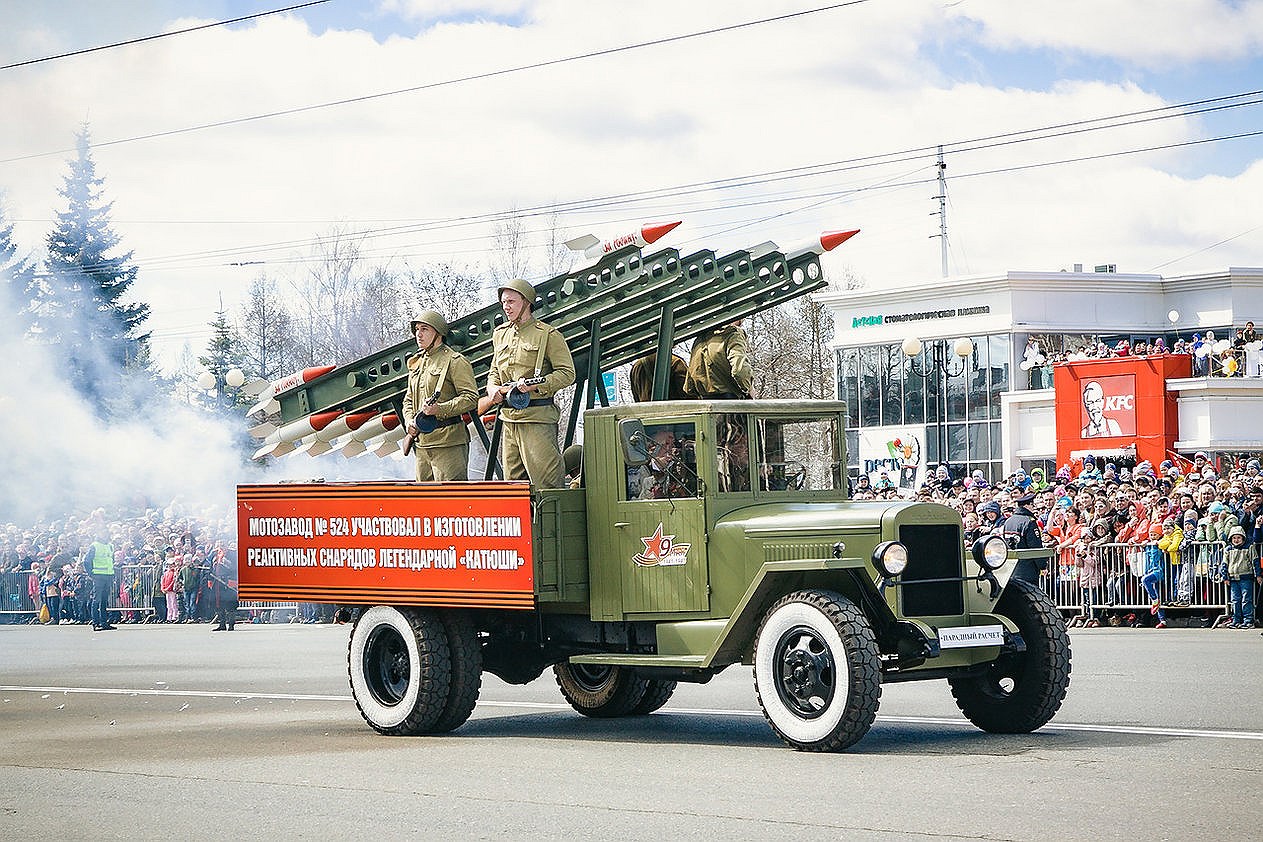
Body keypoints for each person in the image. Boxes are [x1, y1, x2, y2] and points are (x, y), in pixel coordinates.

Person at [482, 278, 575, 489]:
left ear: (527, 302)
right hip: (508, 419)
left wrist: (535, 386)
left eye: (512, 302)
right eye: (504, 302)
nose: (506, 307)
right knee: (513, 489)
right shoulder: (500, 334)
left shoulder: (548, 335)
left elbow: (567, 374)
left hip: (537, 419)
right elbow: (494, 371)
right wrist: (492, 389)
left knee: (548, 485)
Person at [401, 309, 479, 482]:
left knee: (451, 504)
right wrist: (408, 421)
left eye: (424, 329)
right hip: (422, 445)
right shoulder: (417, 362)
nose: (418, 334)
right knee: (425, 505)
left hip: (448, 443)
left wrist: (439, 409)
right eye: (417, 330)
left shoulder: (455, 361)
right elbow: (408, 399)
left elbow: (471, 398)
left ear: (439, 333)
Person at [684, 318, 755, 399]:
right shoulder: (733, 334)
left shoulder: (699, 339)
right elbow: (739, 370)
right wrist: (748, 388)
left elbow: (689, 385)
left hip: (704, 401)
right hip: (729, 402)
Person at [1002, 492, 1046, 583]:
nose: (1033, 507)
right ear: (1027, 506)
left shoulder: (1008, 521)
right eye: (1032, 505)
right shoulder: (1029, 522)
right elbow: (1035, 547)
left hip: (1011, 569)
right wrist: (1042, 565)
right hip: (1028, 569)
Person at [82, 528, 117, 630]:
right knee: (96, 599)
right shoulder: (94, 545)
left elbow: (110, 560)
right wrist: (91, 574)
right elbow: (86, 561)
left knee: (104, 600)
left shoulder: (110, 546)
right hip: (98, 575)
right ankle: (96, 623)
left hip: (108, 575)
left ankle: (104, 622)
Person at [211, 548, 238, 632]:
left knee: (230, 605)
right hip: (218, 584)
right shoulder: (216, 556)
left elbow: (234, 569)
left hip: (227, 582)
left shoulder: (232, 556)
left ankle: (231, 624)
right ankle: (222, 624)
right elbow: (212, 570)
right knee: (219, 604)